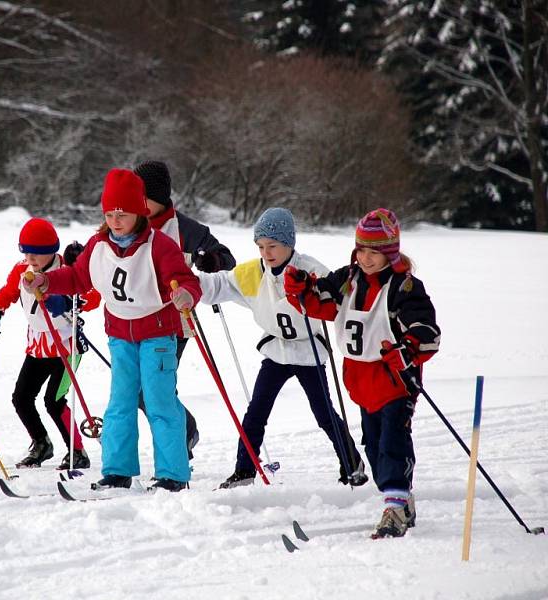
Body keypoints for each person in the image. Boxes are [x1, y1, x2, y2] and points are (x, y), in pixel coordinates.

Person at [21, 168, 202, 492]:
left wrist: (186, 293)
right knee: (119, 402)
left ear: (139, 212)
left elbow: (187, 280)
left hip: (158, 334)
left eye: (123, 213)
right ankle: (118, 470)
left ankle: (173, 474)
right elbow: (78, 277)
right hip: (120, 335)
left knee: (159, 401)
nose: (116, 220)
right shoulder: (99, 245)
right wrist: (48, 281)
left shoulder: (159, 246)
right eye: (109, 214)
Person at [284, 208, 440, 539]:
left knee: (392, 443)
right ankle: (401, 498)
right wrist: (300, 288)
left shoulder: (405, 286)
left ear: (391, 252)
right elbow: (319, 303)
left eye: (375, 252)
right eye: (361, 250)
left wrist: (408, 349)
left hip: (395, 379)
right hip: (360, 380)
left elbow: (426, 330)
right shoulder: (348, 279)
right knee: (372, 445)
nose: (366, 258)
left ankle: (395, 505)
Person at [196, 207, 366, 489]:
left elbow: (337, 298)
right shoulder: (252, 272)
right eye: (261, 246)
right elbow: (217, 285)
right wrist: (190, 280)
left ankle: (351, 463)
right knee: (256, 413)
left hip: (308, 351)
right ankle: (244, 470)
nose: (266, 252)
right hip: (276, 352)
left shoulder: (309, 269)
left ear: (289, 244)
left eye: (273, 246)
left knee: (324, 413)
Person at [0, 218, 101, 470]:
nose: (31, 258)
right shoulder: (21, 271)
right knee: (21, 398)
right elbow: (7, 294)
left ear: (52, 252)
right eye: (26, 252)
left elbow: (94, 296)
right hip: (37, 346)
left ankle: (77, 451)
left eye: (37, 253)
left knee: (54, 401)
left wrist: (68, 302)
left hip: (66, 347)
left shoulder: (68, 269)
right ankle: (41, 444)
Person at [134, 160, 237, 459]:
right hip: (136, 319)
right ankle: (186, 432)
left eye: (145, 198)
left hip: (175, 321)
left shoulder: (185, 229)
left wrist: (210, 261)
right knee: (145, 392)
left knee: (154, 390)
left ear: (161, 196)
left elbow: (226, 258)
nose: (139, 205)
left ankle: (179, 445)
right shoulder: (131, 223)